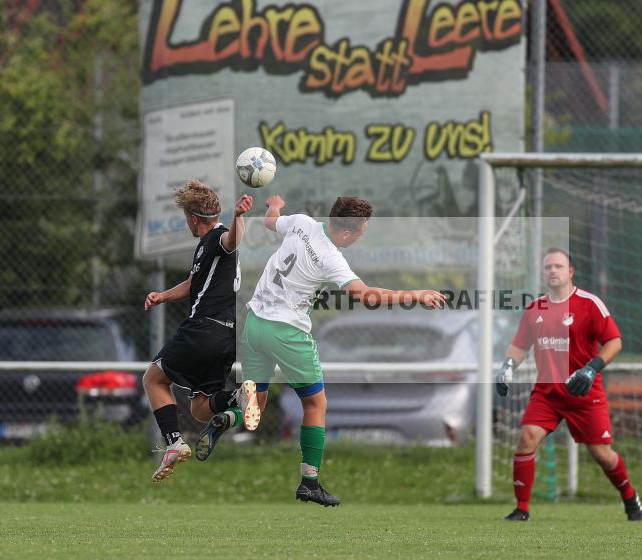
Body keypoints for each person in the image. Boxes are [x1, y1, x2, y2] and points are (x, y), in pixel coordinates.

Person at [234, 194, 446, 506]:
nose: (362, 235)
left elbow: (269, 221)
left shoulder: (302, 223)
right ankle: (309, 482)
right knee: (315, 404)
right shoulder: (331, 257)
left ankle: (227, 414)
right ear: (348, 232)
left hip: (254, 324)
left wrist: (275, 205)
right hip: (287, 331)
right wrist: (413, 294)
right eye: (363, 231)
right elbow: (366, 296)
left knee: (254, 408)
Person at [495, 248, 642, 521]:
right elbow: (519, 345)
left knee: (602, 455)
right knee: (527, 438)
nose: (552, 271)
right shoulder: (535, 308)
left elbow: (615, 342)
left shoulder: (589, 304)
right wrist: (507, 366)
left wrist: (590, 369)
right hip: (548, 393)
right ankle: (522, 509)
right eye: (548, 267)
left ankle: (630, 497)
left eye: (558, 266)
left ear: (570, 272)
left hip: (584, 393)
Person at [142, 180, 259, 483]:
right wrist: (163, 296)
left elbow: (232, 241)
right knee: (200, 410)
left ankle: (173, 444)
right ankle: (236, 396)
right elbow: (194, 284)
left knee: (153, 379)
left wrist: (239, 216)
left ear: (193, 218)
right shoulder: (206, 249)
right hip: (226, 337)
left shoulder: (217, 237)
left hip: (202, 329)